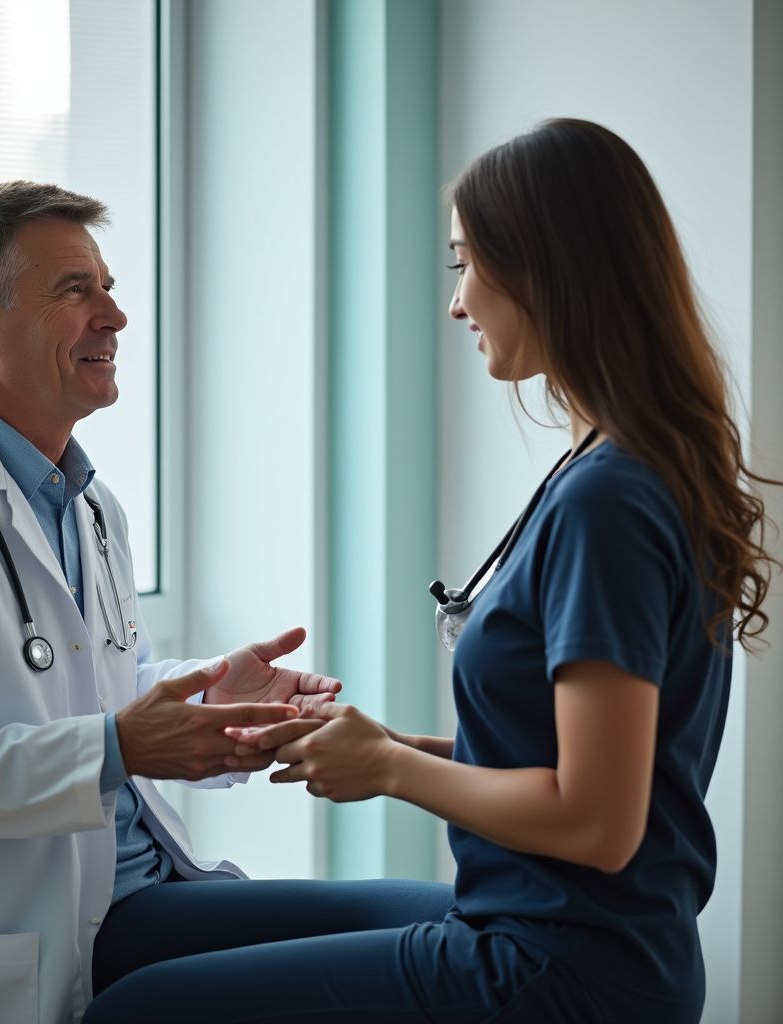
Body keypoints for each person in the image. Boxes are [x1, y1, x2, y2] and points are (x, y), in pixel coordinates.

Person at [84, 120, 782, 1023]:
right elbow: (585, 767)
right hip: (586, 942)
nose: (458, 304)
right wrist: (394, 745)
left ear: (542, 270)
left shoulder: (610, 501)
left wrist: (386, 769)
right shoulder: (615, 469)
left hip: (554, 967)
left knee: (137, 1011)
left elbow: (600, 822)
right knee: (140, 946)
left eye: (464, 265)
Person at [0, 181, 453, 1024]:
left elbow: (85, 684)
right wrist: (117, 747)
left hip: (124, 904)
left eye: (106, 287)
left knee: (450, 923)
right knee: (438, 961)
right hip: (7, 949)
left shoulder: (87, 502)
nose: (114, 315)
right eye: (76, 290)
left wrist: (213, 694)